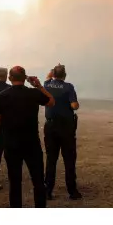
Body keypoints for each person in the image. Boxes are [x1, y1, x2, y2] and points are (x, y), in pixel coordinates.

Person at [0, 66, 54, 208]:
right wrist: (38, 85)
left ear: (10, 78)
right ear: (25, 78)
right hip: (32, 144)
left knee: (15, 182)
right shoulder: (33, 93)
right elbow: (51, 101)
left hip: (11, 145)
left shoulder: (2, 96)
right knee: (38, 181)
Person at [43, 64, 82, 200]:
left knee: (51, 159)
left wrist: (52, 70)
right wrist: (75, 104)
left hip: (51, 127)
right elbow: (74, 106)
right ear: (64, 76)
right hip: (66, 128)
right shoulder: (69, 87)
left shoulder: (46, 85)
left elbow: (47, 77)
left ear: (53, 75)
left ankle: (47, 191)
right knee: (69, 160)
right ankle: (72, 191)